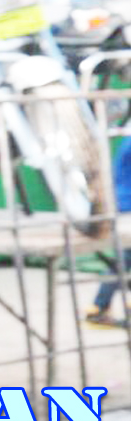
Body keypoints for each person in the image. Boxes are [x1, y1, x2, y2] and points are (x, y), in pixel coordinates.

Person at [86, 137, 131, 329]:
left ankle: (98, 308)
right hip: (127, 205)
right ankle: (98, 308)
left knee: (124, 259)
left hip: (121, 203)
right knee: (123, 259)